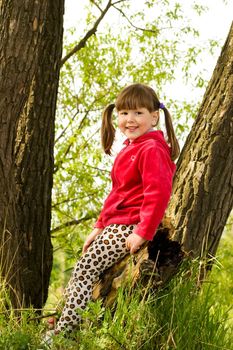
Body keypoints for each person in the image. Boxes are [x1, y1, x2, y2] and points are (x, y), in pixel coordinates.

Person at [54, 83, 180, 335]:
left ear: (154, 116)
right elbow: (117, 194)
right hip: (115, 226)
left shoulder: (152, 149)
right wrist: (99, 227)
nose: (129, 120)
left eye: (138, 113)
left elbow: (158, 193)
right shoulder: (131, 149)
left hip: (130, 227)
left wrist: (143, 231)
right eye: (123, 113)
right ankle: (70, 322)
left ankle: (65, 332)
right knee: (88, 271)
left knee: (84, 270)